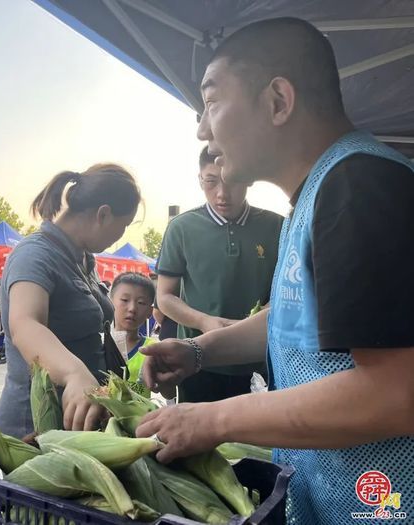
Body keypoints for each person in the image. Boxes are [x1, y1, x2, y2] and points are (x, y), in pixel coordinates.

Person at [136, 18, 414, 525]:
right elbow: (294, 315)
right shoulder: (316, 192)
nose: (202, 128)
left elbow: (396, 392)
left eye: (213, 100)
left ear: (278, 101)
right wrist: (200, 351)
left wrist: (213, 419)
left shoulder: (358, 188)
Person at [0, 164, 141, 438]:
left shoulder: (82, 259)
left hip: (77, 425)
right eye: (124, 225)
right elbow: (25, 324)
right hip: (35, 429)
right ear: (104, 214)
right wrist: (74, 374)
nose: (121, 235)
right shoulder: (35, 254)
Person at [155, 146, 283, 402]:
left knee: (254, 440)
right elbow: (165, 297)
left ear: (248, 180)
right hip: (198, 362)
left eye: (233, 182)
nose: (222, 194)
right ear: (200, 179)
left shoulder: (277, 226)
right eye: (211, 181)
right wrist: (204, 322)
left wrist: (250, 325)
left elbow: (284, 291)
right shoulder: (181, 228)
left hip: (259, 361)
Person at [109, 272, 155, 392]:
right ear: (109, 302)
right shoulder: (98, 345)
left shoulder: (152, 349)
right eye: (125, 300)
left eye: (140, 303)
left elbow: (169, 394)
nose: (132, 308)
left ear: (150, 311)